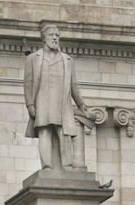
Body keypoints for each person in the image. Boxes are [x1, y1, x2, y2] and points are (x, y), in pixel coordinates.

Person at [24, 24, 94, 170]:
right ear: (44, 38)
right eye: (51, 35)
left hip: (62, 102)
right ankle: (47, 166)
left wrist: (81, 104)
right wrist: (30, 105)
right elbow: (28, 83)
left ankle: (67, 165)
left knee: (64, 132)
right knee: (44, 131)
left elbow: (73, 84)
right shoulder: (33, 58)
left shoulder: (67, 60)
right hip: (42, 101)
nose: (55, 38)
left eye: (57, 35)